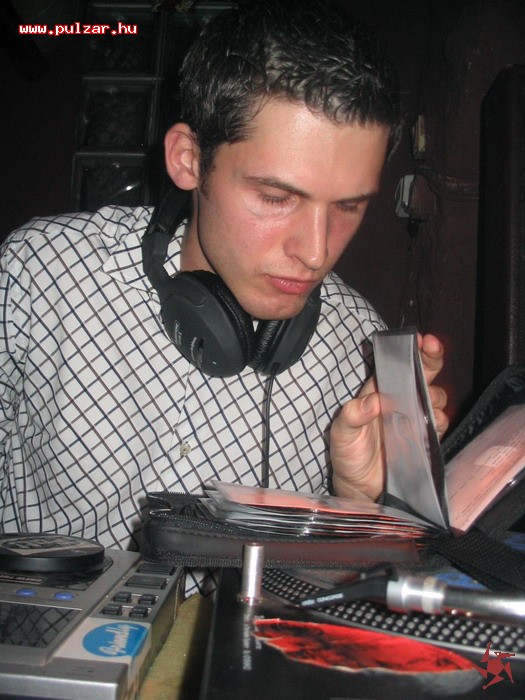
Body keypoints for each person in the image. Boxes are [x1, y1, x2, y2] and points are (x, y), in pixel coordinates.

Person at [0, 0, 447, 593]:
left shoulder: (357, 348)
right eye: (276, 197)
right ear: (189, 160)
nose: (316, 253)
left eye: (348, 206)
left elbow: (336, 605)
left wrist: (358, 506)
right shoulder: (41, 275)